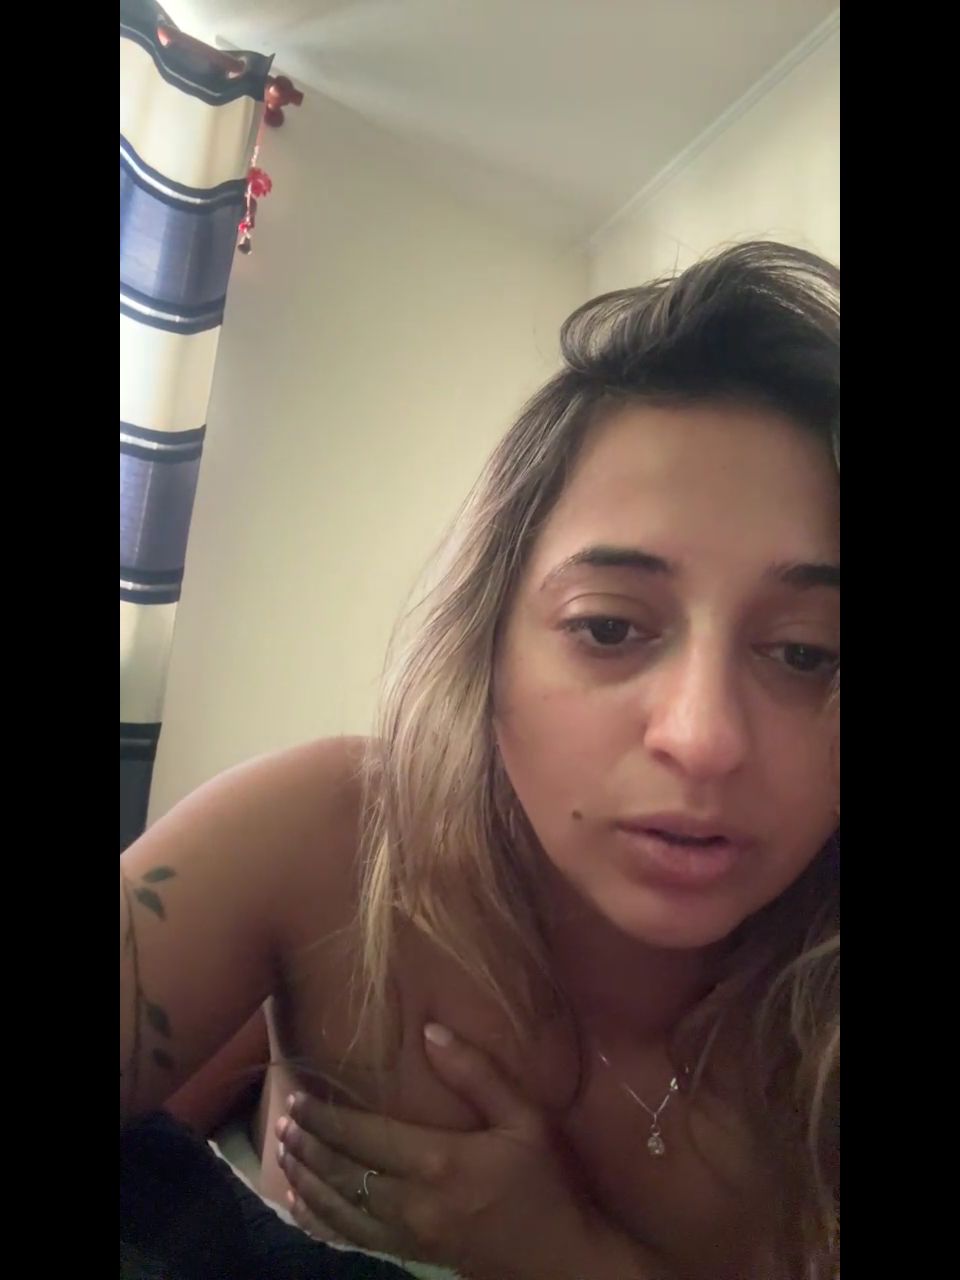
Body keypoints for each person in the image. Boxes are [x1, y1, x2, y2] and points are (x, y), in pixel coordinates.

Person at [120, 241, 840, 1280]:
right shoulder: (333, 838)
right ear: (488, 648)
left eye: (808, 652)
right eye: (608, 627)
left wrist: (569, 1256)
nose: (703, 736)